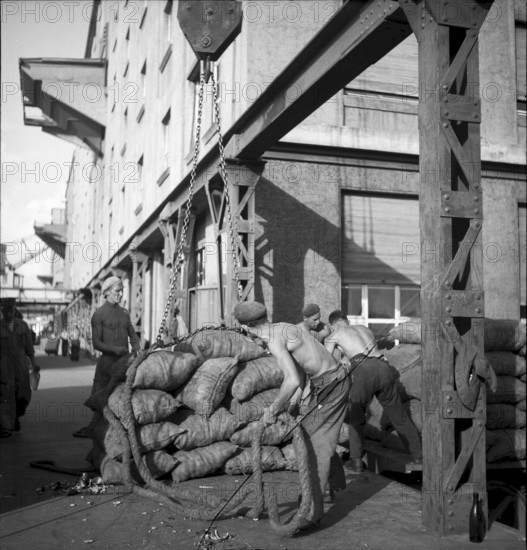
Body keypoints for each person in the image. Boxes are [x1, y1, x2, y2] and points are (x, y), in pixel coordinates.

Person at [233, 301, 352, 528]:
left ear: (248, 328)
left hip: (333, 384)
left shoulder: (272, 338)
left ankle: (311, 513)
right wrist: (295, 400)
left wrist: (273, 409)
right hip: (328, 381)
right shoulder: (283, 327)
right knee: (316, 434)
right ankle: (332, 486)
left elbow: (292, 379)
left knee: (315, 445)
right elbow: (300, 369)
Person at [325, 310, 422, 474]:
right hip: (384, 367)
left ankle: (355, 460)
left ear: (333, 324)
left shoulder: (334, 334)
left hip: (363, 370)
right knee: (400, 417)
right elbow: (364, 351)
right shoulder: (364, 328)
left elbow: (326, 362)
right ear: (346, 320)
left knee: (356, 417)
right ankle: (420, 458)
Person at [73, 276, 140, 437]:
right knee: (100, 396)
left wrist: (137, 349)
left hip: (124, 363)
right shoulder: (99, 314)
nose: (121, 294)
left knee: (124, 395)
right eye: (117, 291)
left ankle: (120, 428)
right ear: (107, 292)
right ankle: (93, 427)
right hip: (107, 363)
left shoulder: (124, 313)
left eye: (122, 291)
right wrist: (114, 349)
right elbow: (96, 343)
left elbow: (132, 335)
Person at [0, 299, 39, 433]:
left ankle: (17, 415)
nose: (7, 314)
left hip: (21, 368)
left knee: (23, 396)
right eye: (4, 311)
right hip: (4, 369)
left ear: (14, 309)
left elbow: (30, 349)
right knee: (6, 396)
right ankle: (9, 422)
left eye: (9, 311)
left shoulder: (23, 326)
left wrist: (34, 366)